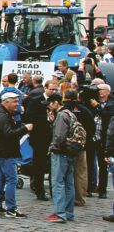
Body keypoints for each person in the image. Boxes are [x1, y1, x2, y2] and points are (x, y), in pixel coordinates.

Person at [0, 87, 32, 218]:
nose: (17, 105)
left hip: (1, 151)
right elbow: (8, 134)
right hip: (6, 152)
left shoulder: (1, 113)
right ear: (6, 102)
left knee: (1, 179)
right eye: (15, 102)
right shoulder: (3, 116)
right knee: (11, 179)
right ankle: (11, 208)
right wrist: (24, 128)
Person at [46, 93, 77, 223]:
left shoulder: (61, 115)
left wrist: (51, 147)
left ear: (55, 103)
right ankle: (69, 212)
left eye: (50, 104)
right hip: (71, 152)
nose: (49, 107)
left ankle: (60, 213)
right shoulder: (71, 114)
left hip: (60, 152)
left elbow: (59, 137)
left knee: (57, 182)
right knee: (69, 183)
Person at [62, 87, 94, 206]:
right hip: (81, 146)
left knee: (63, 172)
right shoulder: (85, 110)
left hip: (64, 146)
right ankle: (80, 198)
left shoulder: (63, 110)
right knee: (80, 173)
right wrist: (85, 141)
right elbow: (92, 128)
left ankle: (64, 198)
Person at [22, 74, 50, 200]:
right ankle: (39, 189)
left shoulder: (57, 100)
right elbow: (28, 115)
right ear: (45, 87)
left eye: (56, 89)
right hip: (39, 137)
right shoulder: (36, 99)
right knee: (39, 163)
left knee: (48, 165)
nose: (54, 91)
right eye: (52, 89)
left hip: (50, 137)